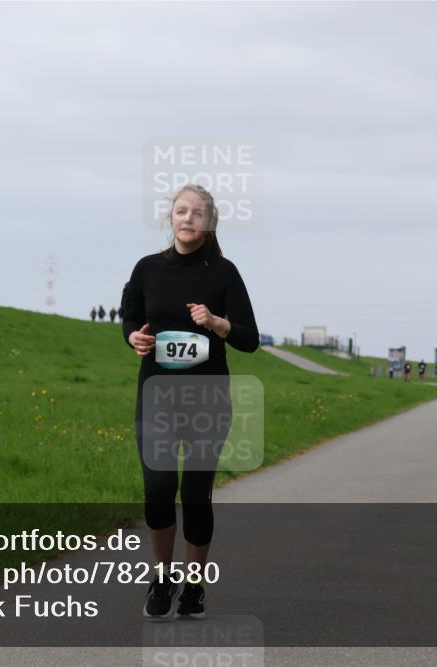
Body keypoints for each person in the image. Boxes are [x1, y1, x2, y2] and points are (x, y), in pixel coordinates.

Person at [121, 184, 258, 620]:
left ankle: (194, 583)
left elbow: (250, 339)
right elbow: (128, 316)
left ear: (210, 222)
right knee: (159, 490)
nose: (188, 218)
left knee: (195, 494)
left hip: (207, 398)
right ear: (170, 217)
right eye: (181, 210)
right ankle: (162, 577)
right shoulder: (147, 268)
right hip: (157, 396)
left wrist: (217, 322)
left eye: (198, 213)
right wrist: (133, 338)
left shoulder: (224, 273)